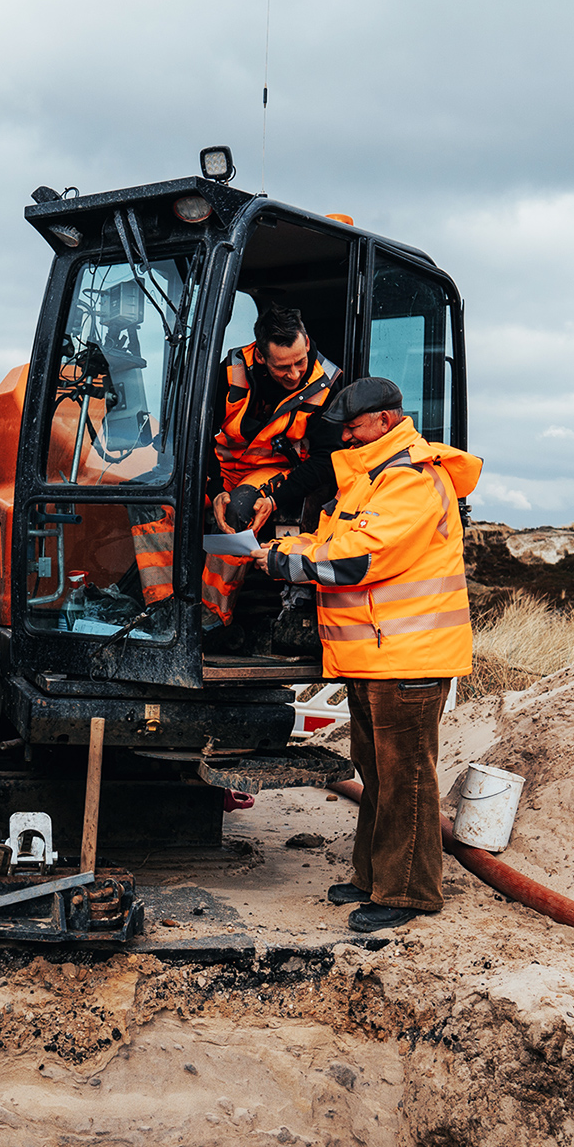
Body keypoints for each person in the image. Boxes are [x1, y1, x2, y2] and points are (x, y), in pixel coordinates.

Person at [251, 377, 482, 931]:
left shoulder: (409, 481)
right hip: (377, 657)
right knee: (377, 774)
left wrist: (284, 564)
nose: (347, 437)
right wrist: (279, 549)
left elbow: (359, 559)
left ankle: (406, 895)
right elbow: (331, 541)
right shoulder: (371, 479)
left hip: (409, 658)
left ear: (385, 419)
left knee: (407, 780)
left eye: (353, 427)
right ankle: (372, 878)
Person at [200, 305, 342, 632]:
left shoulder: (328, 384)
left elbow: (325, 460)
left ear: (306, 342)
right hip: (221, 466)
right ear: (261, 358)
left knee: (238, 511)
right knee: (158, 501)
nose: (294, 374)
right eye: (283, 367)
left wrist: (275, 499)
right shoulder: (229, 371)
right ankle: (162, 609)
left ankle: (210, 621)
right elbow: (199, 433)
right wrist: (214, 489)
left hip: (267, 470)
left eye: (300, 362)